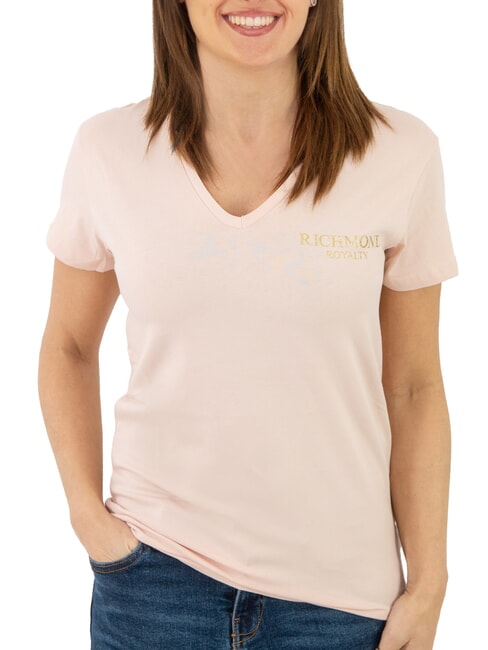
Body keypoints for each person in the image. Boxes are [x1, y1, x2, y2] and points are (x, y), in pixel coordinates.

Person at [38, 1, 458, 649]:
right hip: (153, 583)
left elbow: (413, 386)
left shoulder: (399, 154)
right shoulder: (108, 150)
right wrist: (88, 517)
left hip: (338, 604)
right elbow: (68, 345)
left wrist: (429, 584)